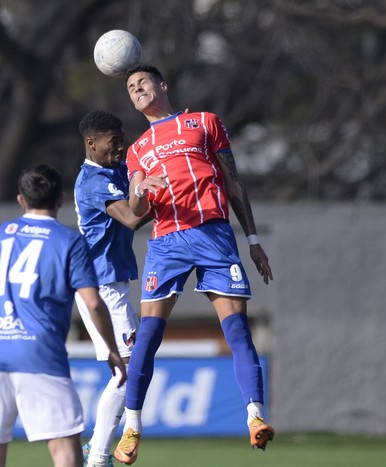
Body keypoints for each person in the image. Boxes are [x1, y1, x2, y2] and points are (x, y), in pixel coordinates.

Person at [112, 65, 276, 464]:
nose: (137, 90)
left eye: (142, 83)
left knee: (237, 328)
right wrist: (140, 191)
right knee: (148, 336)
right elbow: (135, 209)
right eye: (131, 88)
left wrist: (252, 240)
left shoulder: (204, 122)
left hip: (215, 234)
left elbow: (233, 184)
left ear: (162, 85)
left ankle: (255, 418)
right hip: (167, 240)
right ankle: (131, 426)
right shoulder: (137, 150)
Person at [0, 164, 127, 467]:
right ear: (61, 199)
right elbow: (93, 303)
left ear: (21, 200)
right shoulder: (69, 241)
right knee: (64, 447)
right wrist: (113, 350)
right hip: (40, 354)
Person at [74, 110, 150, 467]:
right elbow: (133, 217)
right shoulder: (92, 181)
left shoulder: (114, 170)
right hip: (101, 286)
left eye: (122, 138)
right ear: (92, 144)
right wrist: (169, 194)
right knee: (128, 370)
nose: (121, 146)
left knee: (128, 368)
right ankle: (98, 455)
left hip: (112, 283)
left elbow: (137, 179)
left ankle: (96, 450)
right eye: (113, 142)